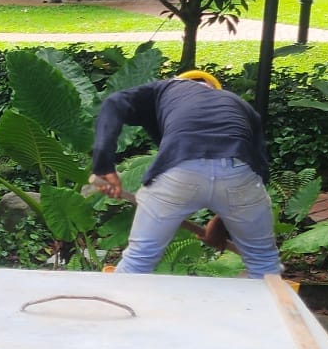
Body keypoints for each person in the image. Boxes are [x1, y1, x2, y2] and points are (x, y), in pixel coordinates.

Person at [84, 70, 281, 277]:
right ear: (214, 88)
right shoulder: (239, 104)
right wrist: (225, 218)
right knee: (264, 262)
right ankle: (275, 305)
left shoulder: (164, 88)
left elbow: (114, 103)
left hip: (180, 169)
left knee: (139, 259)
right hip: (239, 171)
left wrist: (103, 166)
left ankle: (119, 307)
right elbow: (257, 168)